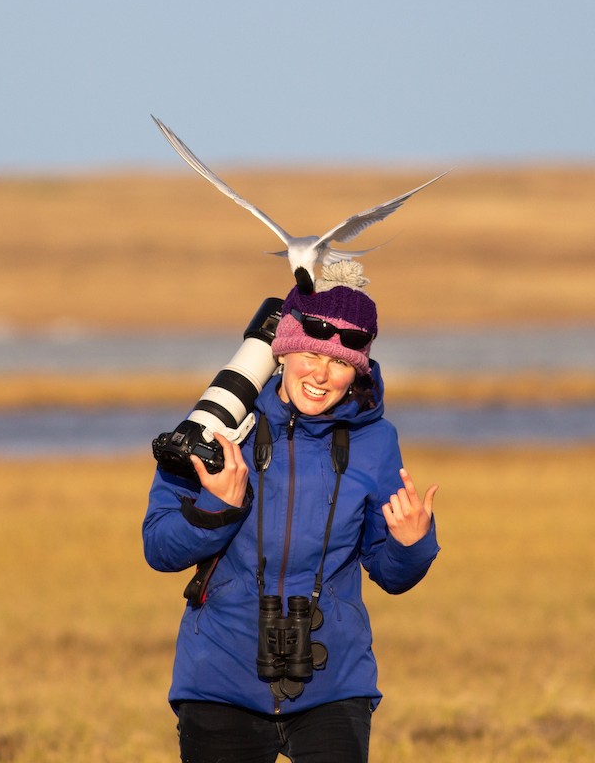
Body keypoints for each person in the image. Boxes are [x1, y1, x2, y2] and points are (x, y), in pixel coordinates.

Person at [142, 261, 440, 763]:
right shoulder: (215, 425)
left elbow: (389, 574)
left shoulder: (376, 441)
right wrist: (218, 505)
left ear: (359, 368)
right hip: (219, 679)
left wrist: (412, 544)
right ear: (282, 350)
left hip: (334, 682)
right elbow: (158, 546)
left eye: (342, 362)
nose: (322, 374)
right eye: (310, 353)